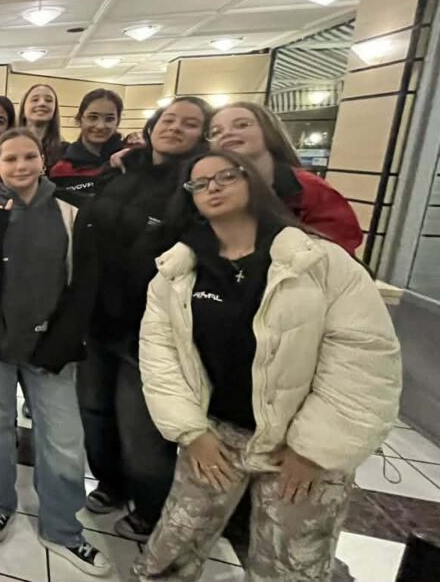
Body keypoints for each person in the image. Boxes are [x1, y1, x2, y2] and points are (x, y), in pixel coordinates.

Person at [133, 149, 401, 581]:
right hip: (216, 431)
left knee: (290, 562)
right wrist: (191, 431)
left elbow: (363, 358)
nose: (213, 187)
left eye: (226, 176)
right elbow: (159, 355)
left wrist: (314, 450)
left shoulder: (319, 260)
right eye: (200, 183)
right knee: (176, 542)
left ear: (253, 182)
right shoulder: (177, 270)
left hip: (299, 441)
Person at [0, 128, 112, 577]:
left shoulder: (72, 210)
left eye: (29, 156)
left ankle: (62, 527)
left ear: (43, 161)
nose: (21, 165)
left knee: (63, 439)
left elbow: (85, 283)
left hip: (52, 343)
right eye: (10, 159)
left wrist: (63, 338)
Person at [75, 96, 213, 543]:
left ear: (202, 136)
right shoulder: (121, 170)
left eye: (189, 124)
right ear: (151, 127)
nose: (175, 128)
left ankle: (152, 509)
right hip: (97, 315)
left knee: (142, 427)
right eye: (168, 119)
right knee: (94, 410)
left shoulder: (196, 185)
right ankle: (110, 484)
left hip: (148, 328)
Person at [208, 101, 363, 254]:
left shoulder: (311, 189)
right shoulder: (211, 188)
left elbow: (337, 251)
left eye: (242, 125)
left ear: (269, 131)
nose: (226, 133)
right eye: (216, 132)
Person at [48, 89, 128, 202]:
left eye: (109, 119)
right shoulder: (61, 170)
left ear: (118, 122)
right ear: (80, 119)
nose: (100, 126)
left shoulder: (131, 161)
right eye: (93, 117)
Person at [18, 83, 62, 175]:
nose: (42, 103)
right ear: (23, 110)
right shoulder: (6, 147)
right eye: (35, 100)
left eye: (49, 100)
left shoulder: (65, 151)